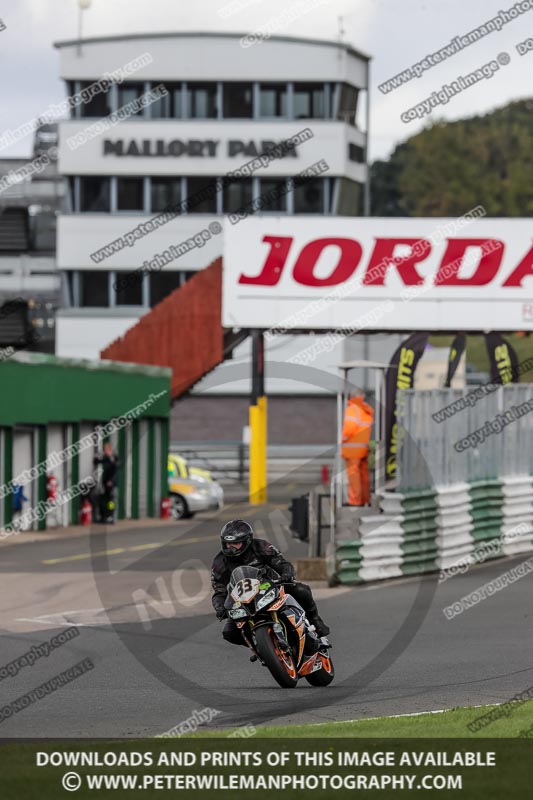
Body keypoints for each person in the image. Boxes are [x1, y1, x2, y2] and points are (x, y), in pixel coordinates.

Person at [211, 519, 330, 646]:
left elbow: (281, 563)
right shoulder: (219, 563)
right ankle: (259, 646)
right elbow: (219, 591)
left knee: (302, 590)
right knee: (229, 633)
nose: (231, 548)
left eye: (236, 543)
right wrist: (220, 608)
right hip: (243, 601)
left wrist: (286, 574)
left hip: (271, 587)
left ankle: (315, 620)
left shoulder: (261, 546)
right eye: (228, 544)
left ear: (247, 541)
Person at [341, 393, 374, 506]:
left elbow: (349, 428)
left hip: (352, 448)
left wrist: (342, 439)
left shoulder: (352, 409)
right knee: (363, 475)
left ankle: (355, 501)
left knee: (353, 475)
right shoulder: (365, 410)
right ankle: (365, 499)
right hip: (363, 447)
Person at [93, 442, 119, 524]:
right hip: (105, 483)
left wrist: (111, 481)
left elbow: (115, 470)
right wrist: (97, 455)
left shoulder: (113, 458)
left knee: (111, 500)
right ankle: (104, 516)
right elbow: (96, 461)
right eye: (104, 450)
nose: (105, 452)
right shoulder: (106, 458)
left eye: (106, 450)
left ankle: (111, 516)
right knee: (103, 499)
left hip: (111, 484)